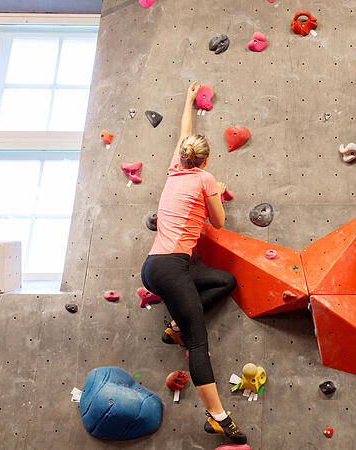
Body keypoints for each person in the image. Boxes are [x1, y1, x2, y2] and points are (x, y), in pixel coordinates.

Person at [140, 81, 247, 444]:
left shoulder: (175, 168)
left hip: (157, 267)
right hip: (171, 268)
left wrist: (187, 100)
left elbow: (185, 132)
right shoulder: (204, 178)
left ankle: (174, 327)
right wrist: (213, 191)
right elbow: (218, 222)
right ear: (204, 161)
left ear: (183, 156)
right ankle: (219, 417)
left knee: (224, 281)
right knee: (198, 343)